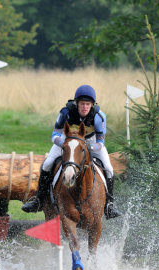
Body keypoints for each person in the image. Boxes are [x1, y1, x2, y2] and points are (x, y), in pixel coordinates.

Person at [22, 84, 121, 219]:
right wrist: (66, 145)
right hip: (67, 140)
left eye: (87, 104)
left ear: (92, 105)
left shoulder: (99, 117)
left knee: (109, 168)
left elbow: (101, 142)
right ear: (76, 103)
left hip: (91, 143)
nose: (85, 107)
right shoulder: (65, 113)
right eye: (82, 104)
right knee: (47, 164)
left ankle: (109, 205)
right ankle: (39, 200)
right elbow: (54, 135)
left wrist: (90, 148)